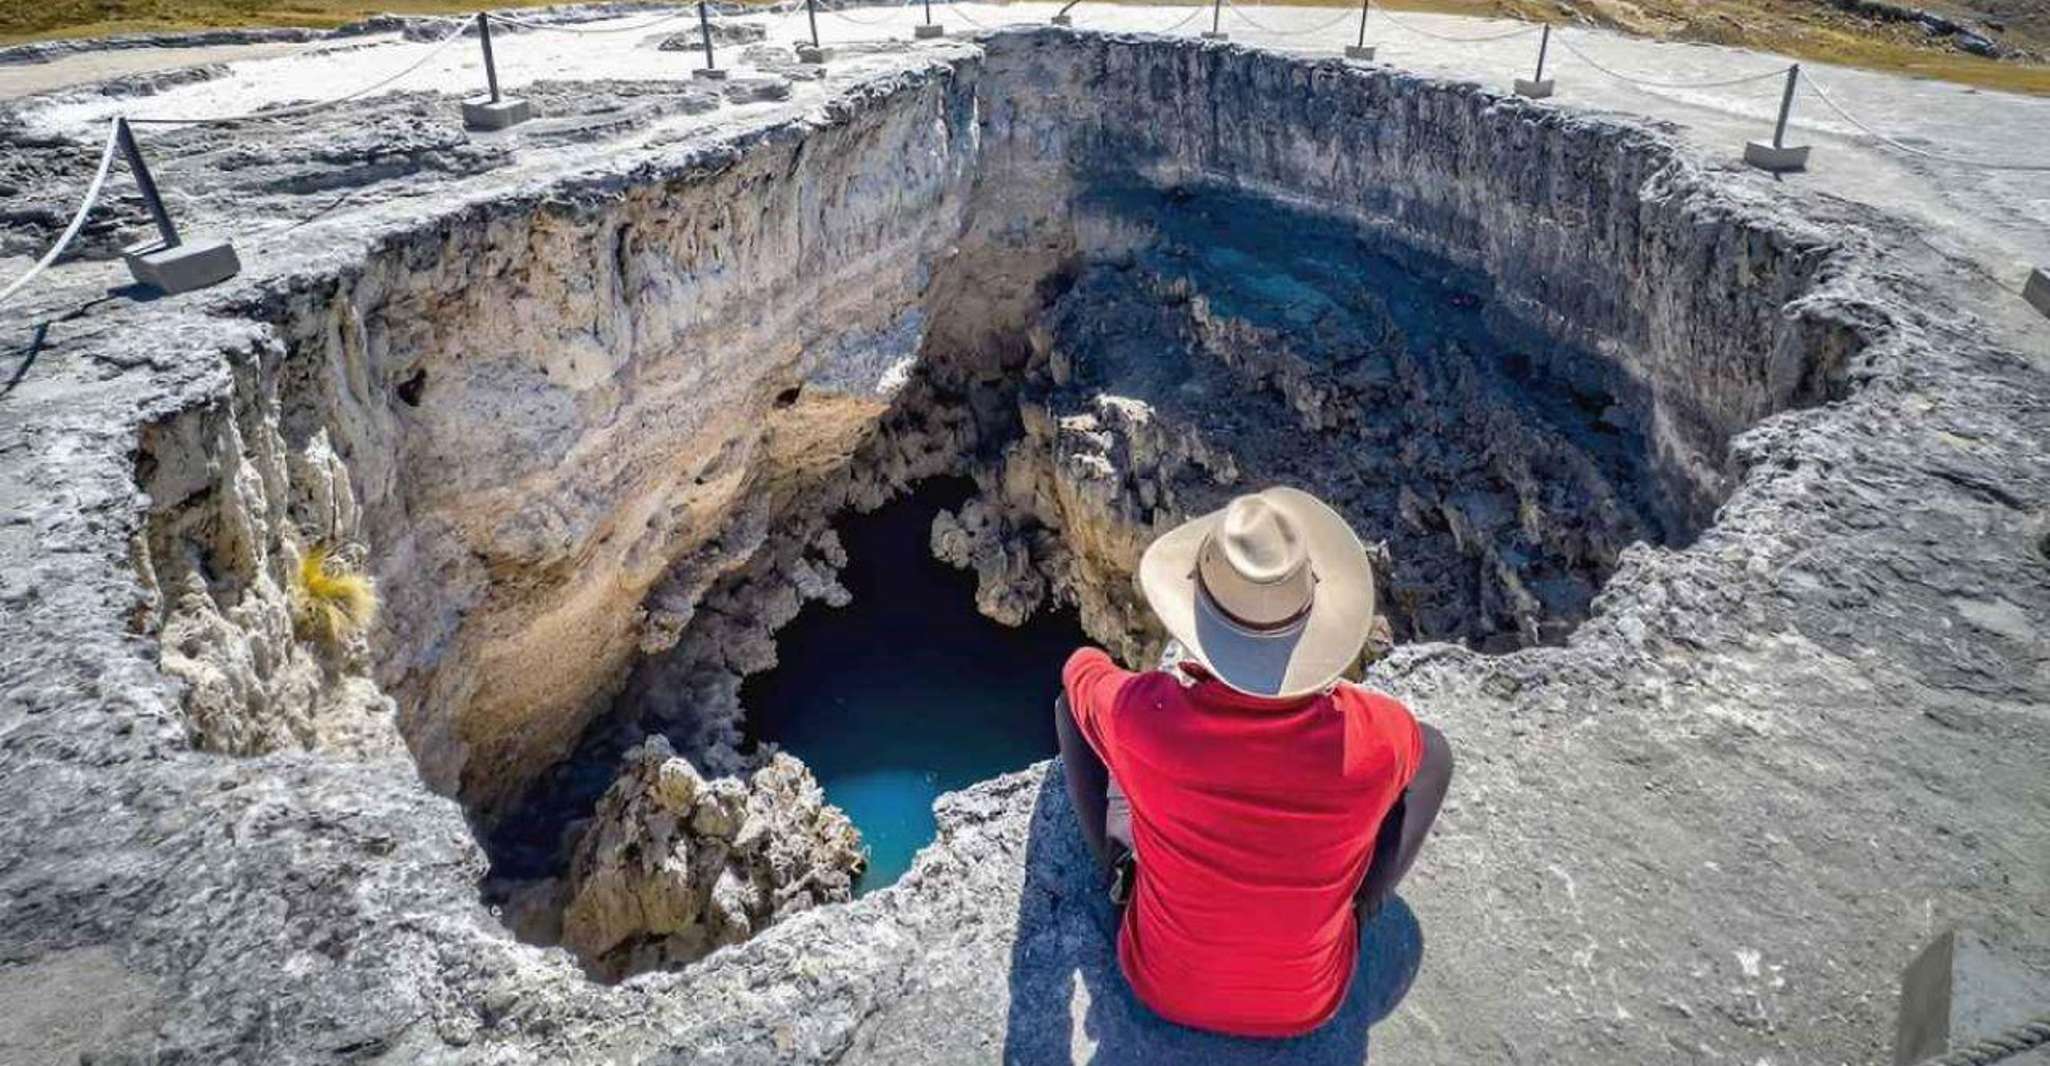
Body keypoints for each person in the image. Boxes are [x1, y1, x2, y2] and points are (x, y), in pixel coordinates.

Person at [1055, 486, 1454, 1039]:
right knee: (1432, 754)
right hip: (1308, 1003)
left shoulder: (1147, 718)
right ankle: (1361, 904)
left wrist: (1114, 675)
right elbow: (1432, 757)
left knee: (1073, 717)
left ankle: (1118, 876)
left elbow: (1079, 672)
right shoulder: (1375, 735)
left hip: (1159, 985)